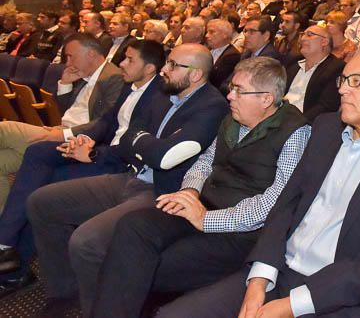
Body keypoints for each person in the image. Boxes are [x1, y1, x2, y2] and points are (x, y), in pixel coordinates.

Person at [156, 48, 360, 318]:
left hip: (335, 295)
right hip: (279, 272)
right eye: (343, 79)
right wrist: (260, 279)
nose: (343, 89)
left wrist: (291, 306)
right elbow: (286, 204)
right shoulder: (326, 128)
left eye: (357, 81)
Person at [88, 57, 312, 318]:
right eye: (232, 88)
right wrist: (190, 192)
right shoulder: (233, 119)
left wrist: (207, 219)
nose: (230, 96)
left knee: (144, 265)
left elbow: (274, 202)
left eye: (240, 90)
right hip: (203, 206)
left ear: (266, 98)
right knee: (133, 225)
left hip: (241, 233)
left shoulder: (295, 132)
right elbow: (205, 162)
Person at [26, 44, 229, 317]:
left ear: (195, 75)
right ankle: (65, 292)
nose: (164, 70)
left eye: (172, 65)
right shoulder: (163, 92)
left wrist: (143, 142)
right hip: (132, 176)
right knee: (42, 202)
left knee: (87, 241)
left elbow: (164, 157)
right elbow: (131, 133)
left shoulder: (213, 106)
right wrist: (105, 150)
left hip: (162, 192)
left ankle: (97, 310)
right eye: (166, 63)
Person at [0, 40, 166, 295]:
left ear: (150, 68)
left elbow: (134, 144)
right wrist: (80, 140)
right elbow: (105, 122)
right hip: (100, 150)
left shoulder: (158, 96)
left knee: (45, 183)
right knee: (37, 153)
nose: (121, 62)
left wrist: (93, 152)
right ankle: (6, 245)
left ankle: (13, 261)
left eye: (130, 59)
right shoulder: (129, 86)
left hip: (117, 163)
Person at [0, 33, 124, 210]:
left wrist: (63, 134)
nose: (68, 62)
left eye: (71, 56)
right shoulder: (85, 76)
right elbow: (67, 112)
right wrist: (65, 83)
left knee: (4, 129)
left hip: (74, 137)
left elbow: (103, 122)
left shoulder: (113, 77)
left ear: (90, 54)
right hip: (60, 130)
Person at [284, 25, 345, 121]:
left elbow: (326, 106)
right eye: (302, 35)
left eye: (309, 35)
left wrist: (296, 123)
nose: (302, 39)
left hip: (304, 123)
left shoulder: (336, 68)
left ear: (324, 42)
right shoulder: (293, 62)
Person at [205, 19, 240, 91]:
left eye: (211, 32)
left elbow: (216, 81)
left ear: (224, 35)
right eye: (207, 32)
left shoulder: (232, 56)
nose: (206, 35)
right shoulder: (207, 49)